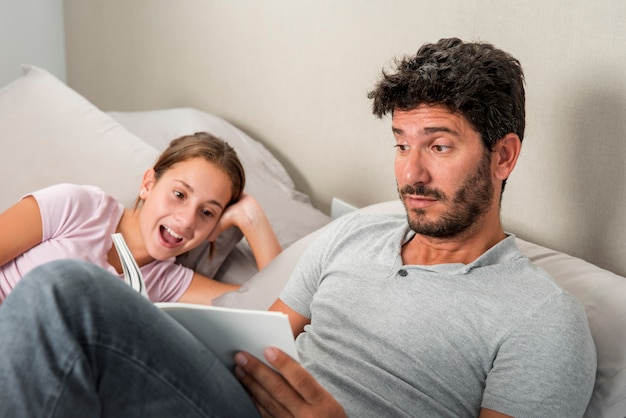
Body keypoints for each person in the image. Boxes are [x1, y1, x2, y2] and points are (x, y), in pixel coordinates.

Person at [0, 38, 596, 417]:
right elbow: (257, 340)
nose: (410, 173)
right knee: (66, 291)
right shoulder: (356, 235)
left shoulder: (543, 320)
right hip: (225, 403)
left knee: (64, 293)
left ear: (503, 156)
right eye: (400, 144)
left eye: (439, 146)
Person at [0, 132, 281, 304]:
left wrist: (251, 219)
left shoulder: (166, 281)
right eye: (179, 195)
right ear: (148, 184)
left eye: (207, 212)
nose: (185, 221)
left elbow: (278, 309)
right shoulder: (77, 206)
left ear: (214, 229)